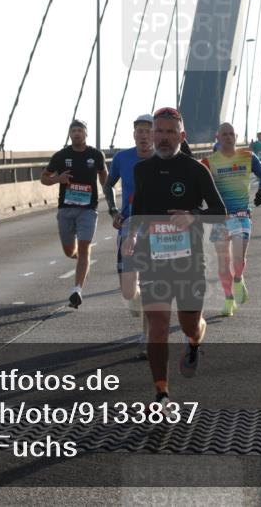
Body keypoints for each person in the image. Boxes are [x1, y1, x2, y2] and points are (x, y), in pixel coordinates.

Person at [122, 107, 227, 405]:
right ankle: (162, 393)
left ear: (182, 136)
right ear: (152, 134)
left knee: (189, 325)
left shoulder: (196, 170)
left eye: (170, 132)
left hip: (189, 262)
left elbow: (219, 212)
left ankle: (194, 342)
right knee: (157, 326)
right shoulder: (142, 170)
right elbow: (139, 208)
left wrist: (193, 215)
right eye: (159, 131)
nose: (164, 138)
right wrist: (132, 235)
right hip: (153, 259)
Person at [201, 123, 261, 316]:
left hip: (241, 215)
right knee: (223, 264)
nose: (228, 137)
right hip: (220, 217)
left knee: (238, 260)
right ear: (218, 138)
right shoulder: (208, 162)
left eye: (231, 134)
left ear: (236, 137)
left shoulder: (248, 157)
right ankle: (229, 299)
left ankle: (238, 279)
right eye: (224, 134)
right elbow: (196, 183)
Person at [41, 119, 107, 309]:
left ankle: (77, 290)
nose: (77, 133)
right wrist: (58, 179)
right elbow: (44, 178)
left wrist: (107, 190)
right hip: (66, 209)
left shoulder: (95, 155)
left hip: (88, 209)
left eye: (80, 130)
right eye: (73, 131)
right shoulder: (61, 156)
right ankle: (82, 260)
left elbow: (103, 174)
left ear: (86, 134)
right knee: (70, 251)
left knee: (84, 248)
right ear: (70, 134)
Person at [103, 114, 155, 354]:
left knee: (150, 283)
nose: (143, 135)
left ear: (154, 134)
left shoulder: (163, 159)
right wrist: (113, 210)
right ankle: (138, 300)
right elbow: (108, 184)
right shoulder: (122, 158)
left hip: (155, 226)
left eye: (148, 131)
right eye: (139, 131)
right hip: (128, 224)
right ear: (134, 134)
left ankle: (146, 337)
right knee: (128, 291)